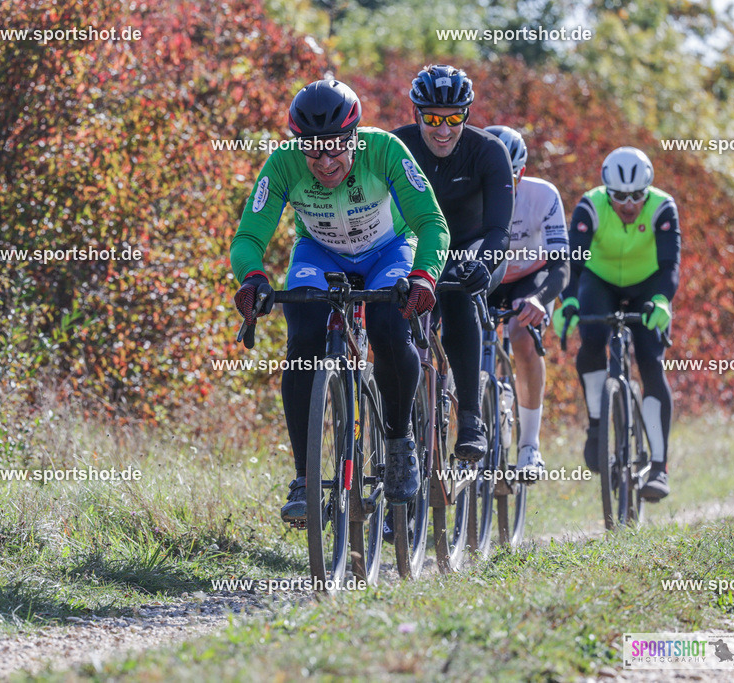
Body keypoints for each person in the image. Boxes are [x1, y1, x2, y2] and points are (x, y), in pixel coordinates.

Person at [230, 79, 450, 523]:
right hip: (320, 254)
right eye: (313, 150)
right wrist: (253, 278)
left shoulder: (386, 151)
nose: (325, 161)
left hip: (387, 253)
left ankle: (400, 442)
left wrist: (424, 276)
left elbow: (431, 222)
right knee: (303, 338)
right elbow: (249, 236)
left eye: (335, 148)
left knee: (390, 326)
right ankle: (304, 478)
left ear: (354, 137)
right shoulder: (283, 165)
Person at [392, 65, 514, 462]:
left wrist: (484, 262)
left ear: (466, 115)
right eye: (431, 119)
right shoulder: (398, 146)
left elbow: (499, 230)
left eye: (453, 119)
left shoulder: (488, 151)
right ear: (416, 114)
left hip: (472, 248)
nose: (442, 130)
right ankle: (400, 427)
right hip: (419, 246)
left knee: (460, 292)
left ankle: (471, 417)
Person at [552, 147, 680, 500]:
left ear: (648, 190)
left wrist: (661, 300)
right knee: (592, 340)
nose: (628, 203)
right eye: (619, 196)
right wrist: (570, 301)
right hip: (601, 281)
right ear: (607, 191)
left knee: (652, 362)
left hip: (648, 285)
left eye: (637, 195)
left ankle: (658, 466)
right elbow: (573, 262)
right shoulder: (590, 206)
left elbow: (670, 265)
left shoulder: (663, 207)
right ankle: (597, 425)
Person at [484, 125, 569, 478]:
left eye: (511, 177)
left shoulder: (543, 195)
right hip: (487, 276)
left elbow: (562, 262)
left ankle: (529, 446)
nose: (503, 186)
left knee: (522, 334)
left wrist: (539, 299)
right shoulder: (467, 193)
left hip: (529, 279)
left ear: (521, 172)